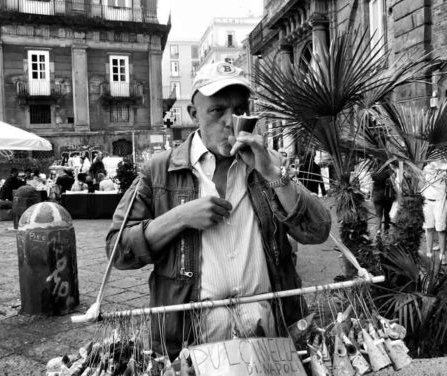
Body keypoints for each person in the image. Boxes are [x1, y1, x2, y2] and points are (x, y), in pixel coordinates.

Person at [105, 61, 332, 359]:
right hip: (191, 342)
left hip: (270, 336)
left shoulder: (268, 164)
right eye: (217, 110)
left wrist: (273, 175)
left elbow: (318, 230)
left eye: (239, 109)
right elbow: (117, 251)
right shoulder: (158, 171)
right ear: (193, 113)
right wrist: (181, 217)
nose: (231, 121)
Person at [422, 159, 447, 260]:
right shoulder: (425, 168)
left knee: (441, 228)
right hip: (427, 201)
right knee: (428, 228)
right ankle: (428, 251)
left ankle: (442, 253)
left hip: (440, 201)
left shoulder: (445, 169)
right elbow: (421, 184)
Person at [371, 163, 396, 235]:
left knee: (378, 215)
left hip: (377, 196)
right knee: (387, 214)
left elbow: (372, 184)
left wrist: (371, 195)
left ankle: (378, 231)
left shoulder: (374, 173)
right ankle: (386, 231)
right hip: (387, 196)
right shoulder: (388, 172)